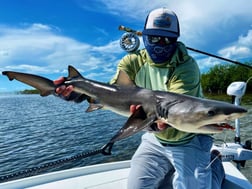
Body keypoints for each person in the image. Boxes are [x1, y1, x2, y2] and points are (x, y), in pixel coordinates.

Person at [54, 7, 225, 189]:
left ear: (176, 40)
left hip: (188, 139)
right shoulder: (132, 62)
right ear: (144, 37)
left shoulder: (186, 66)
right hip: (155, 140)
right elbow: (111, 94)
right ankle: (170, 166)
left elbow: (180, 110)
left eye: (168, 40)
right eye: (154, 38)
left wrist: (152, 121)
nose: (160, 44)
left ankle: (216, 165)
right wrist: (78, 93)